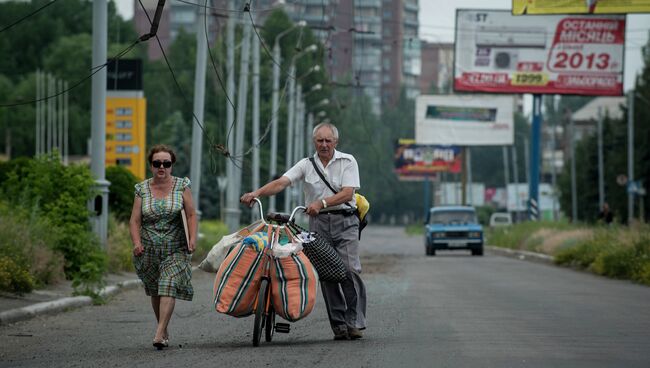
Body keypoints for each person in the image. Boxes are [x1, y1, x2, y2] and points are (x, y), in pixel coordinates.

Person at [240, 122, 367, 341]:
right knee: (328, 273)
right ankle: (339, 326)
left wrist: (322, 203)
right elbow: (282, 182)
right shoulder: (306, 165)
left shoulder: (348, 161)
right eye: (320, 140)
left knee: (349, 270)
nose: (324, 145)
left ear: (336, 142)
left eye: (328, 140)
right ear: (314, 142)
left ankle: (353, 322)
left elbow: (347, 194)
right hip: (318, 226)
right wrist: (256, 192)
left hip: (345, 223)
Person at [129, 144, 197, 349]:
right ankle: (164, 328)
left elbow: (192, 214)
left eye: (166, 163)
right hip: (148, 251)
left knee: (168, 284)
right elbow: (134, 221)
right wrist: (137, 243)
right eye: (157, 163)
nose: (161, 167)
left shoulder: (181, 186)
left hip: (175, 248)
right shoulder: (141, 189)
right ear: (151, 165)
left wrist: (192, 238)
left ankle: (159, 333)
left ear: (171, 165)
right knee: (156, 290)